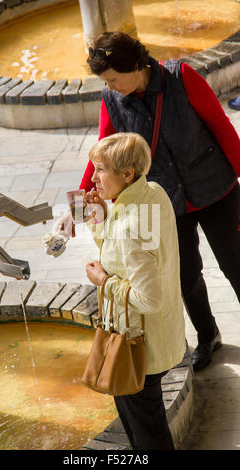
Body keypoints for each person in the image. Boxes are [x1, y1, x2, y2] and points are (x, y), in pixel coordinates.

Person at [57, 32, 240, 372]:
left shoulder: (182, 77)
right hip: (168, 203)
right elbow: (102, 153)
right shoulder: (112, 100)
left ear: (134, 66)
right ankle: (208, 334)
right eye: (105, 82)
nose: (110, 87)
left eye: (113, 79)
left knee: (236, 264)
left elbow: (220, 126)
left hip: (216, 190)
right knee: (184, 277)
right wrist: (79, 204)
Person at [84, 132, 186, 450]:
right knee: (143, 427)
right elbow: (121, 250)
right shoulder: (152, 193)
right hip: (165, 335)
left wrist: (104, 282)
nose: (93, 177)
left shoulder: (131, 225)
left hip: (140, 348)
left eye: (100, 169)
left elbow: (148, 299)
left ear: (127, 174)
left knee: (148, 436)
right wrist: (100, 217)